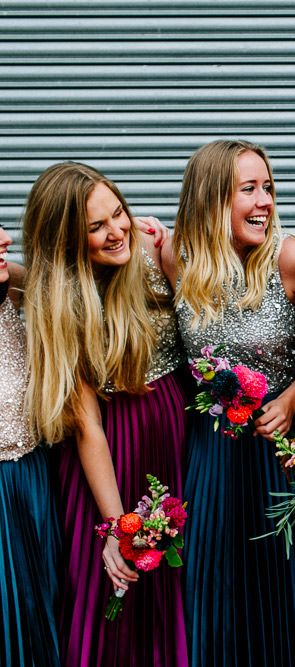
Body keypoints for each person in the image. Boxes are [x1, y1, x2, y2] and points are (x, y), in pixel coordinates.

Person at [162, 139, 295, 667]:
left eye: (268, 187)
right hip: (210, 456)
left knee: (286, 584)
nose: (264, 201)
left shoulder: (290, 259)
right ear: (210, 199)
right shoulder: (176, 257)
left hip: (281, 453)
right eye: (249, 189)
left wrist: (294, 397)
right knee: (213, 584)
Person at [22, 162, 188, 667]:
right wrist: (117, 525)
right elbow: (88, 425)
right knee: (115, 590)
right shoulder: (61, 301)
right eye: (96, 227)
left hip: (176, 437)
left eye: (117, 213)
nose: (116, 230)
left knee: (178, 581)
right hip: (113, 451)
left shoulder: (151, 248)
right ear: (67, 240)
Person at [0, 227, 61, 666]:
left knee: (41, 603)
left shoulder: (12, 288)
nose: (5, 237)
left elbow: (64, 277)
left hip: (36, 480)